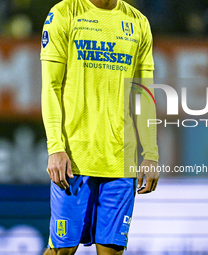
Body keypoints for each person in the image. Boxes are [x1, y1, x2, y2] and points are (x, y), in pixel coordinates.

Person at [40, 0, 159, 254]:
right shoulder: (64, 14)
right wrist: (55, 147)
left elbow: (144, 94)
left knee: (112, 252)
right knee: (62, 251)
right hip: (75, 159)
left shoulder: (138, 23)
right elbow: (51, 88)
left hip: (120, 161)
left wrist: (151, 153)